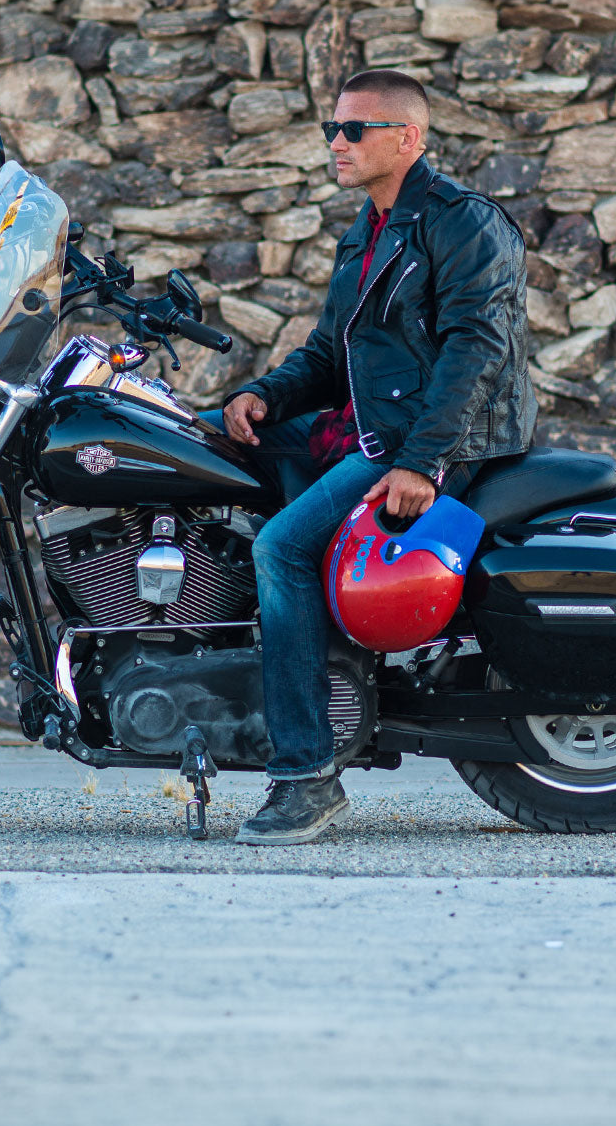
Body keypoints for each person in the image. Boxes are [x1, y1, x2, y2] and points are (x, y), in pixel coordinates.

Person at [216, 69, 536, 845]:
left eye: (354, 129)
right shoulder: (368, 230)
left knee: (282, 548)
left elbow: (476, 354)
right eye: (332, 128)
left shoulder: (463, 224)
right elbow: (330, 354)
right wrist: (262, 396)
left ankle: (305, 776)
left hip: (433, 438)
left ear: (408, 138)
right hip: (374, 427)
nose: (337, 141)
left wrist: (422, 462)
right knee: (200, 442)